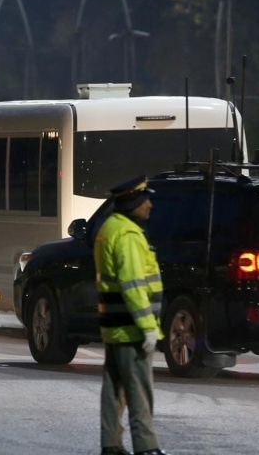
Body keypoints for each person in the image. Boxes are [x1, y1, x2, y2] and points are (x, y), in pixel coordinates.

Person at [94, 175, 166, 455]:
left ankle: (111, 445)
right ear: (132, 202)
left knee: (114, 389)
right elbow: (133, 285)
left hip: (115, 326)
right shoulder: (127, 236)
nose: (150, 204)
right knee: (139, 392)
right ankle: (146, 447)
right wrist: (148, 327)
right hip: (130, 327)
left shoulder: (110, 227)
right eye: (145, 199)